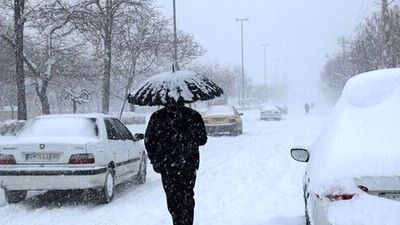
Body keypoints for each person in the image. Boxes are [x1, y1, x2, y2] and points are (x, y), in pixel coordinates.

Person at [145, 100, 207, 225]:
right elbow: (202, 139)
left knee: (172, 197)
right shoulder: (193, 115)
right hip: (188, 164)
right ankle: (186, 221)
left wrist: (155, 161)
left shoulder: (157, 117)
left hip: (167, 166)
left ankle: (177, 220)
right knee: (187, 196)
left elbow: (149, 142)